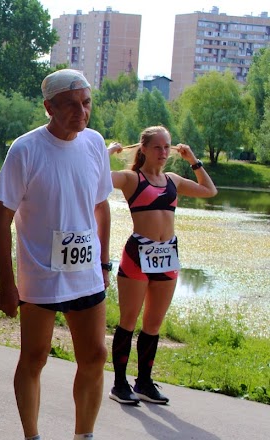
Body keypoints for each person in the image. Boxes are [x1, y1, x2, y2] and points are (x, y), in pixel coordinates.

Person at [0, 69, 112, 440]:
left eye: (86, 103)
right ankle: (32, 436)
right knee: (35, 357)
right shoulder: (26, 149)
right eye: (71, 104)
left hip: (85, 272)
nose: (81, 111)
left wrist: (104, 262)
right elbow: (1, 219)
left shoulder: (94, 144)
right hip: (40, 273)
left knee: (94, 357)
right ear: (49, 107)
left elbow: (101, 207)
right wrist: (6, 283)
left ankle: (83, 435)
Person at [106, 128, 217, 405]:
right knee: (128, 322)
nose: (164, 152)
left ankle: (144, 382)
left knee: (153, 325)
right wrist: (107, 152)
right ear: (143, 149)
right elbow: (92, 178)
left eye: (167, 147)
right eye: (158, 147)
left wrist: (193, 160)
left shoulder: (173, 180)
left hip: (167, 256)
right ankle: (120, 384)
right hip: (137, 255)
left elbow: (209, 190)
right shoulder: (132, 179)